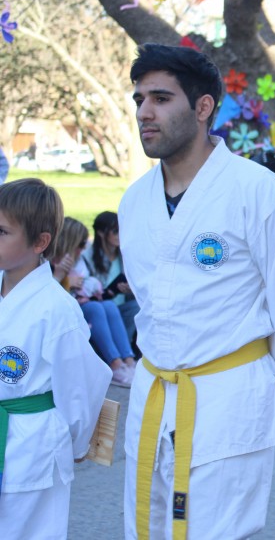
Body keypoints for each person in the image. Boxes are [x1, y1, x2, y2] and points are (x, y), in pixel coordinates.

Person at [121, 43, 275, 540]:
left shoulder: (259, 192)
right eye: (140, 99)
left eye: (161, 98)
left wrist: (271, 394)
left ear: (203, 106)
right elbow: (148, 304)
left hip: (229, 399)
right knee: (147, 527)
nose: (145, 112)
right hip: (154, 391)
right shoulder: (134, 201)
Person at [0, 178, 111, 538]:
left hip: (31, 445)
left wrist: (77, 444)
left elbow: (80, 387)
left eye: (2, 232)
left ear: (40, 242)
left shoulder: (57, 309)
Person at [51, 217, 136, 387]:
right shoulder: (50, 262)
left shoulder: (80, 261)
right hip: (68, 310)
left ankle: (129, 361)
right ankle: (115, 364)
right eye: (81, 244)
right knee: (95, 308)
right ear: (69, 242)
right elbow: (48, 296)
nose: (83, 248)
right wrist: (62, 278)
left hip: (90, 303)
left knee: (109, 306)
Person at [82, 211, 141, 341]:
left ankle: (126, 346)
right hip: (101, 309)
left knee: (137, 306)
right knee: (107, 307)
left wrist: (130, 289)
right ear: (101, 233)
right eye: (115, 231)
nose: (119, 235)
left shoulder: (125, 255)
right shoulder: (87, 257)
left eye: (121, 231)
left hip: (121, 308)